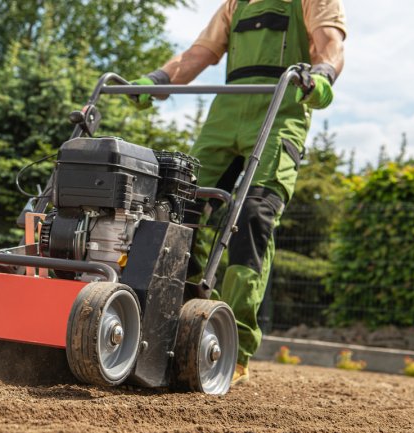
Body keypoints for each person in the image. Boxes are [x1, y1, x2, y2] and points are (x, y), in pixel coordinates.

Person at [132, 0, 346, 385]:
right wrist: (159, 79)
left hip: (281, 109)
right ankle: (172, 320)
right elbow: (200, 53)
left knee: (254, 214)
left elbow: (329, 42)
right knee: (178, 206)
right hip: (226, 112)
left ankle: (234, 340)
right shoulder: (236, 4)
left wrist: (323, 74)